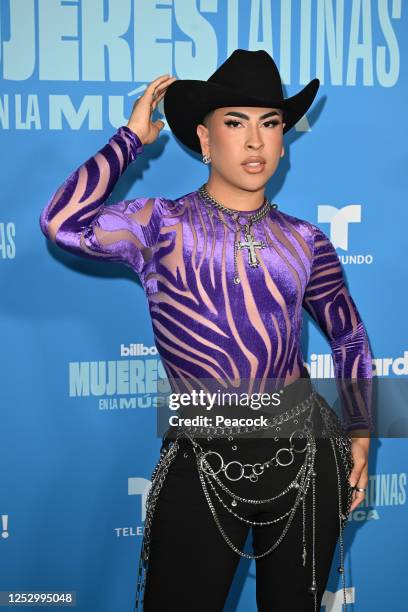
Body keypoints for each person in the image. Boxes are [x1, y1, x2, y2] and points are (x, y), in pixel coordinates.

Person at [39, 49, 373, 611]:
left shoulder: (306, 240)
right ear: (203, 135)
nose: (255, 141)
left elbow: (350, 336)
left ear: (283, 139)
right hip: (202, 453)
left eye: (270, 124)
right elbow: (61, 222)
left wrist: (362, 431)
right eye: (236, 122)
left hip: (309, 457)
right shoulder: (158, 225)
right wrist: (128, 140)